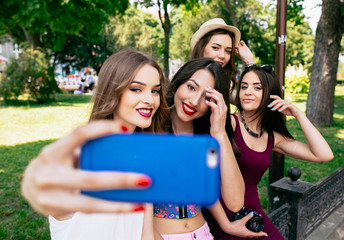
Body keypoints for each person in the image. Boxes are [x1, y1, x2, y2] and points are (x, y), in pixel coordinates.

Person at [21, 49, 170, 240]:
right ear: (112, 90)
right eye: (136, 89)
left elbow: (145, 234)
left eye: (155, 91)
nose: (150, 100)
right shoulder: (82, 157)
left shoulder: (140, 157)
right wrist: (35, 181)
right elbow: (46, 188)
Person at [203, 64, 334, 239]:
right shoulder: (227, 124)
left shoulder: (272, 137)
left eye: (257, 87)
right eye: (244, 86)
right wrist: (226, 225)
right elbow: (202, 175)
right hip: (219, 214)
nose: (248, 92)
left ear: (270, 94)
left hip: (252, 213)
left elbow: (324, 154)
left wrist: (298, 114)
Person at [153, 58, 245, 240]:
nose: (194, 101)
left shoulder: (206, 138)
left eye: (206, 97)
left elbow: (234, 203)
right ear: (178, 83)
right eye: (191, 87)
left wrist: (220, 134)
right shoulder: (151, 129)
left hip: (202, 233)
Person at [190, 18, 255, 103]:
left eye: (228, 51)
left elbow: (247, 102)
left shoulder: (223, 84)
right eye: (215, 48)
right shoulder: (185, 77)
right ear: (201, 47)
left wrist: (250, 62)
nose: (222, 56)